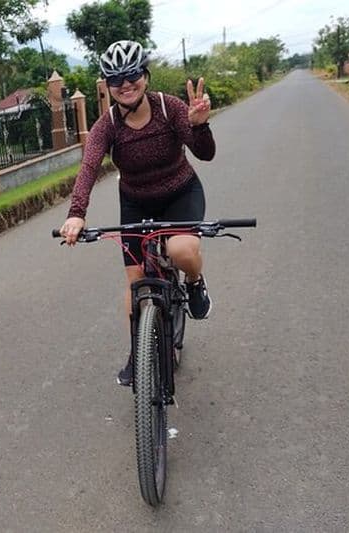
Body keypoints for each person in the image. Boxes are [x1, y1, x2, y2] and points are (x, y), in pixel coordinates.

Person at [58, 40, 215, 386]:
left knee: (181, 250)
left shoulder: (169, 107)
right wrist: (76, 212)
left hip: (180, 193)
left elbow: (205, 154)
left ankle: (193, 282)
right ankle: (139, 350)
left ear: (145, 75)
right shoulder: (107, 125)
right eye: (116, 79)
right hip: (136, 202)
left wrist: (199, 126)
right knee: (135, 286)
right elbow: (88, 167)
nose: (125, 84)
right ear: (107, 85)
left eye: (132, 75)